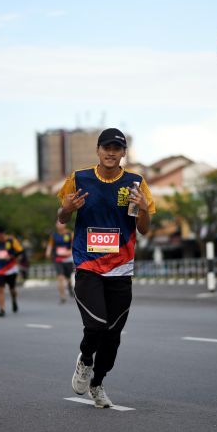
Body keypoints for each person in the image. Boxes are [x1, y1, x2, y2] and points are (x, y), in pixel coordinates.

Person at [57, 128, 155, 408]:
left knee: (112, 336)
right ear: (98, 150)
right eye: (106, 148)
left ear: (124, 152)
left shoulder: (135, 183)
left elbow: (144, 229)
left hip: (121, 269)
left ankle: (97, 383)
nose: (111, 153)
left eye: (117, 148)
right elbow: (62, 218)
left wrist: (143, 208)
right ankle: (85, 360)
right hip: (88, 265)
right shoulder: (79, 178)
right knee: (96, 324)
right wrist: (67, 209)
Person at [0, 226, 23, 317]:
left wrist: (11, 256)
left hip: (11, 268)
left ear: (4, 234)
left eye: (2, 235)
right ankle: (2, 309)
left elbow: (20, 251)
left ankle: (14, 300)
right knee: (0, 289)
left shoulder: (11, 240)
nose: (0, 237)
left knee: (12, 288)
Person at [46, 221, 74, 303]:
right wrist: (48, 252)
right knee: (60, 277)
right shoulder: (54, 235)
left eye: (61, 223)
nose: (59, 225)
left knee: (68, 278)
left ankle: (69, 286)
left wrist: (69, 252)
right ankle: (62, 296)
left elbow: (74, 245)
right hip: (58, 259)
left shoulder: (70, 234)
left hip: (68, 259)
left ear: (65, 224)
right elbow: (50, 245)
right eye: (58, 224)